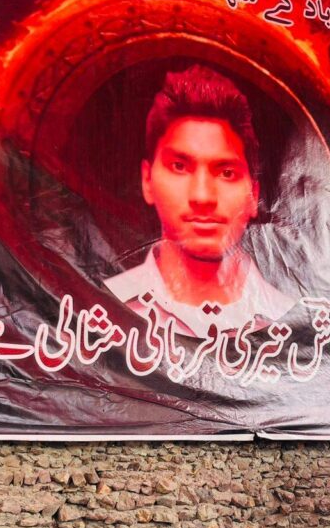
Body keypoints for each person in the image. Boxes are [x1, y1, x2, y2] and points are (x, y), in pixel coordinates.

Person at [104, 64, 298, 337]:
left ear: (253, 195)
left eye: (226, 172)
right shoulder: (101, 305)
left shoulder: (291, 320)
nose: (203, 196)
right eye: (180, 167)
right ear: (147, 180)